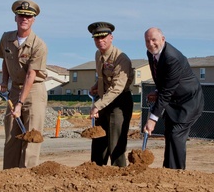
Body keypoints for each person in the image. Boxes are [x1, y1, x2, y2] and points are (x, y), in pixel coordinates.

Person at [0, 0, 48, 169]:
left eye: (28, 16)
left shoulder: (39, 45)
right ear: (15, 18)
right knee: (12, 135)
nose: (24, 19)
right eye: (21, 15)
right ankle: (9, 174)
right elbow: (5, 60)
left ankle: (27, 176)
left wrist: (19, 103)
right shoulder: (6, 38)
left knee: (31, 136)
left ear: (33, 20)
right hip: (14, 89)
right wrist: (4, 82)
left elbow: (31, 75)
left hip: (34, 91)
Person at [142, 27, 204, 170]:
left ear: (163, 39)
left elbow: (167, 92)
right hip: (173, 100)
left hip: (189, 101)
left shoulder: (172, 57)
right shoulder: (151, 53)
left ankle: (177, 173)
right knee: (169, 134)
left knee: (176, 134)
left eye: (154, 40)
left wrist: (152, 119)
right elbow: (161, 80)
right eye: (147, 41)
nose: (151, 44)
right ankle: (168, 170)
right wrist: (157, 90)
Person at [87, 21, 134, 167]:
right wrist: (96, 86)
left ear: (111, 38)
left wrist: (97, 106)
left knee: (116, 142)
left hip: (119, 102)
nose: (100, 41)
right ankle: (96, 170)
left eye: (104, 37)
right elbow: (103, 77)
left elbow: (117, 88)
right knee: (99, 139)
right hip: (104, 100)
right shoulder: (98, 55)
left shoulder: (121, 58)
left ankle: (119, 174)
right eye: (97, 38)